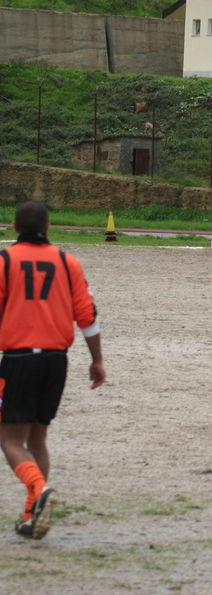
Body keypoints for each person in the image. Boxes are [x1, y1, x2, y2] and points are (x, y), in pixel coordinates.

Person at [0, 201, 106, 540]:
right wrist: (97, 360)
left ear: (14, 228)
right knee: (37, 439)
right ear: (48, 228)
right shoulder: (66, 261)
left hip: (18, 360)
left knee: (9, 439)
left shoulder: (4, 261)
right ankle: (31, 515)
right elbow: (87, 315)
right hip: (56, 361)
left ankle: (39, 487)